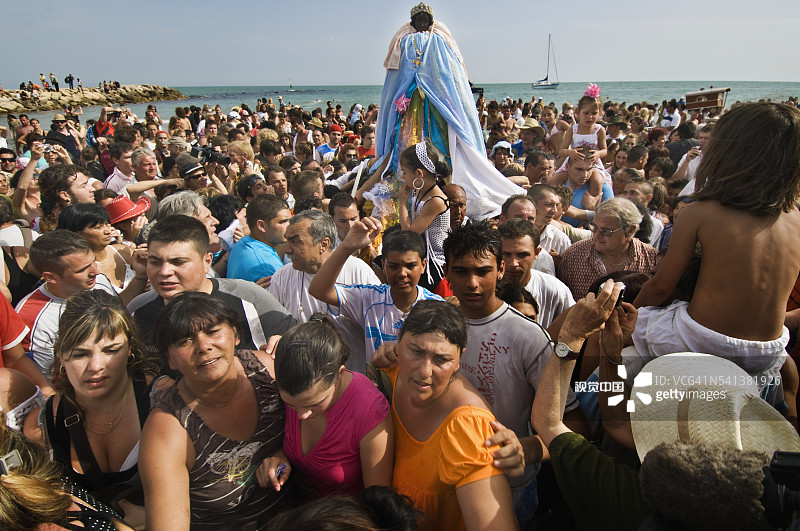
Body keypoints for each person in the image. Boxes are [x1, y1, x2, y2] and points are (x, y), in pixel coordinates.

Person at [633, 103, 800, 390]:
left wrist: (631, 316)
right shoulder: (796, 217)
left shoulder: (701, 212)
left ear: (728, 154)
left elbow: (661, 287)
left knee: (613, 336)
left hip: (708, 341)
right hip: (768, 350)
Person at [141, 292, 294, 530]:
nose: (204, 346)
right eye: (185, 341)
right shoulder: (168, 429)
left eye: (213, 331)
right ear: (169, 359)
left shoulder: (270, 373)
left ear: (235, 334)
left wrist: (286, 454)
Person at [378, 300, 519, 531]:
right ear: (398, 343)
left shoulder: (468, 427)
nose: (424, 371)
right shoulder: (393, 372)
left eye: (441, 359)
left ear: (459, 359)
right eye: (416, 351)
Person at [45, 290, 162, 529]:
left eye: (111, 350)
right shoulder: (47, 421)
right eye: (80, 354)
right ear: (61, 355)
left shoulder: (162, 399)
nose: (96, 366)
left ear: (131, 348)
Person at [129, 215, 296, 354]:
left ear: (207, 261)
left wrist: (285, 344)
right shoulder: (137, 311)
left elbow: (302, 342)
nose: (165, 271)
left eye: (178, 262)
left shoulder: (248, 298)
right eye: (155, 262)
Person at [274, 316, 393, 497]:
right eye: (291, 405)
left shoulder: (369, 410)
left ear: (339, 374)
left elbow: (377, 500)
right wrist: (279, 459)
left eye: (313, 404)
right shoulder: (289, 381)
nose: (301, 415)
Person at [308, 218, 443, 362]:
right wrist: (346, 247)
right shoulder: (369, 298)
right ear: (383, 265)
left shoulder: (437, 308)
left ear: (423, 265)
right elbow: (318, 290)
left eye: (410, 266)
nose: (402, 273)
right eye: (393, 266)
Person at [267, 210, 379, 372]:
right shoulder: (282, 277)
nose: (287, 250)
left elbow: (377, 322)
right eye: (287, 241)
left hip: (353, 376)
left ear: (324, 244)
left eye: (295, 242)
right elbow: (274, 328)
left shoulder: (358, 271)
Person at [558, 198, 659, 299]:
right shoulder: (574, 255)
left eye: (605, 231)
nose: (597, 235)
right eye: (594, 227)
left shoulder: (651, 259)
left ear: (630, 231)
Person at [498, 219, 574, 328]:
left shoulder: (555, 290)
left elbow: (572, 327)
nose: (514, 263)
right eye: (506, 254)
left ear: (537, 253)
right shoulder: (482, 289)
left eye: (522, 255)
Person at [397, 140, 450, 291]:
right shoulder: (418, 189)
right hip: (420, 250)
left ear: (419, 173)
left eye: (405, 172)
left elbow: (411, 233)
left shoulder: (436, 200)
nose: (403, 177)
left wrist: (402, 203)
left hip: (434, 261)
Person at [57, 204, 136, 292]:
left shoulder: (125, 252)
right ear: (77, 233)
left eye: (107, 224)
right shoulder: (78, 269)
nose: (107, 231)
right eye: (98, 227)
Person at [553, 87, 609, 207]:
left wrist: (598, 154)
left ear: (600, 113)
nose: (590, 117)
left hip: (592, 164)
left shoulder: (599, 130)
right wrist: (570, 152)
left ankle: (593, 203)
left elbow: (604, 150)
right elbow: (561, 151)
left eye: (594, 113)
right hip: (573, 163)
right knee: (552, 181)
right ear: (578, 113)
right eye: (586, 113)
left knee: (597, 181)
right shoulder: (572, 130)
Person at [227, 194, 291, 282]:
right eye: (283, 221)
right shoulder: (266, 268)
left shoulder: (243, 242)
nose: (290, 225)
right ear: (261, 225)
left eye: (290, 220)